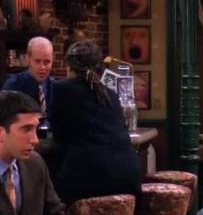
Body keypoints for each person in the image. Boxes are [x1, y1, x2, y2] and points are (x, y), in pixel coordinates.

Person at [48, 40, 141, 204]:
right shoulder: (111, 94)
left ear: (69, 67)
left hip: (89, 179)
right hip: (129, 177)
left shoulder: (62, 89)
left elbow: (59, 134)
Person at [2, 36, 54, 120]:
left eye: (47, 62)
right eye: (37, 61)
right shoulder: (13, 86)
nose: (42, 67)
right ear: (28, 59)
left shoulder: (53, 86)